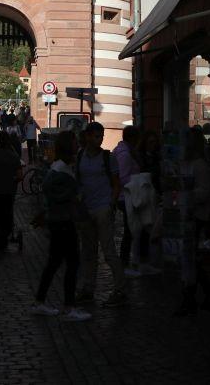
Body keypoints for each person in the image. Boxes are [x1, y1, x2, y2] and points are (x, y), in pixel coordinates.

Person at [32, 130, 91, 321]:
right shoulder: (61, 170)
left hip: (59, 220)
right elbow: (50, 189)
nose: (77, 144)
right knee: (72, 263)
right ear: (68, 145)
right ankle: (68, 306)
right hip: (63, 221)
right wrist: (72, 197)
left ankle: (40, 301)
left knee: (54, 263)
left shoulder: (60, 167)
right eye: (74, 141)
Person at [75, 122, 127, 307]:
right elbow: (79, 181)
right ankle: (88, 289)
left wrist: (111, 204)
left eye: (101, 136)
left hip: (103, 208)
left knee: (109, 251)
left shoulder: (108, 157)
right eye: (97, 136)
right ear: (88, 136)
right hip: (86, 209)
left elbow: (116, 183)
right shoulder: (80, 156)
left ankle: (120, 290)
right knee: (88, 252)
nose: (100, 139)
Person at [176, 125, 210, 316]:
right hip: (189, 215)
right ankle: (203, 294)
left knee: (192, 259)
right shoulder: (189, 164)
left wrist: (186, 194)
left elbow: (204, 192)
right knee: (190, 259)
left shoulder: (199, 165)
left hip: (197, 217)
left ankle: (200, 295)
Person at [113, 126, 148, 276]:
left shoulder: (124, 151)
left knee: (132, 229)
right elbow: (122, 177)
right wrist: (138, 180)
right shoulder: (125, 154)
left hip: (127, 195)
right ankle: (124, 263)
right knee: (130, 230)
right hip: (127, 196)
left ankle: (131, 262)